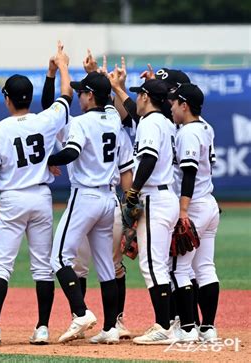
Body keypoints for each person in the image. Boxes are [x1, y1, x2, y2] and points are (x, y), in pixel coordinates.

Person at [0, 43, 72, 347]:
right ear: (28, 98)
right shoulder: (45, 121)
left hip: (13, 199)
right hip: (41, 197)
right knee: (42, 266)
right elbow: (66, 96)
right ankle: (42, 328)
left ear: (7, 99)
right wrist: (59, 68)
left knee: (1, 265)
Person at [41, 52, 134, 341]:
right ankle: (109, 329)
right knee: (106, 265)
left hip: (86, 197)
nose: (79, 96)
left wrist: (47, 160)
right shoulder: (114, 120)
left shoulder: (81, 123)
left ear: (91, 96)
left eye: (82, 92)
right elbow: (53, 111)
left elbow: (71, 152)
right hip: (110, 199)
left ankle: (81, 313)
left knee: (57, 258)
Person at [122, 79, 179, 345]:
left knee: (152, 265)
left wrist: (133, 191)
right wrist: (118, 87)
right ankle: (173, 323)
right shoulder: (166, 123)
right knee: (161, 265)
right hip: (166, 196)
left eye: (140, 95)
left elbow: (149, 158)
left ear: (146, 97)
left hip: (154, 197)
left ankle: (164, 326)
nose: (138, 101)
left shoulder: (149, 123)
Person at [169, 83, 220, 342]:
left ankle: (188, 328)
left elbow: (188, 172)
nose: (171, 106)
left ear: (184, 105)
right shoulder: (205, 126)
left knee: (178, 269)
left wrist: (183, 211)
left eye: (174, 102)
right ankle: (208, 328)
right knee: (205, 268)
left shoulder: (188, 132)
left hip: (195, 205)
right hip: (209, 203)